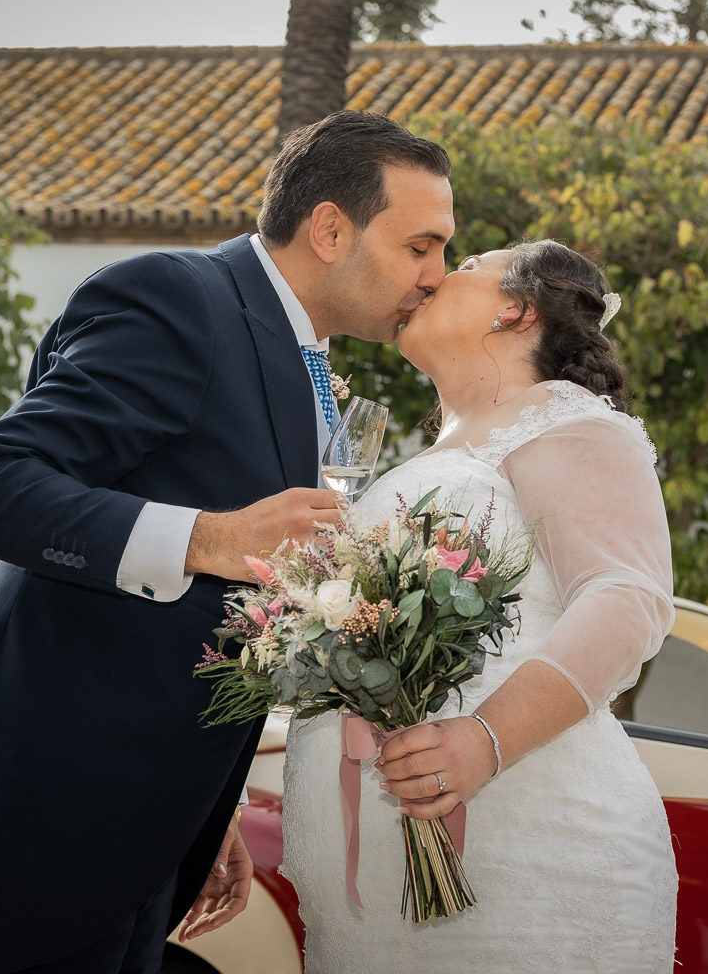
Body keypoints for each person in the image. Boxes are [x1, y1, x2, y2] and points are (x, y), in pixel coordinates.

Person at [0, 111, 455, 974]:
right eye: (421, 246)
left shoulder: (302, 356)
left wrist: (210, 808)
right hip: (39, 811)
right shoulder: (180, 297)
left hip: (145, 831)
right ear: (329, 228)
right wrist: (212, 537)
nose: (437, 277)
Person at [278, 239, 679, 971]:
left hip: (523, 862)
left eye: (462, 267)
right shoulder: (427, 454)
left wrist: (483, 740)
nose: (431, 277)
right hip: (374, 898)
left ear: (514, 309)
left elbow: (627, 599)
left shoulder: (563, 417)